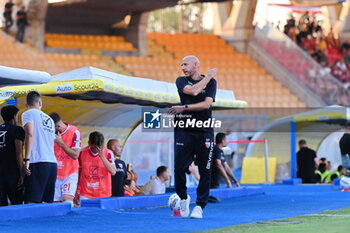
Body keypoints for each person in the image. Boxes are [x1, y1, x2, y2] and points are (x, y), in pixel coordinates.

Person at [169, 55, 217, 219]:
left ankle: (200, 206)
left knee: (206, 171)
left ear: (196, 65)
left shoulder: (211, 82)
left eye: (186, 64)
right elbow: (193, 91)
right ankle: (184, 198)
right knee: (179, 168)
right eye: (181, 64)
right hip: (184, 130)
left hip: (204, 131)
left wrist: (185, 107)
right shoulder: (180, 80)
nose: (182, 67)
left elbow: (206, 104)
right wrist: (209, 75)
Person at [22, 91, 57, 203]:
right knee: (47, 203)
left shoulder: (28, 113)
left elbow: (30, 134)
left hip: (37, 162)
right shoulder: (50, 119)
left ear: (26, 105)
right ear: (40, 103)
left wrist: (27, 160)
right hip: (52, 164)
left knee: (31, 202)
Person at [49, 112, 81, 205]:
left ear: (57, 126)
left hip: (69, 172)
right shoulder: (49, 133)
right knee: (54, 202)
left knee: (67, 202)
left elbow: (75, 155)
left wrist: (61, 143)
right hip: (54, 173)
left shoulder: (75, 132)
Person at [76, 131, 116, 205]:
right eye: (95, 147)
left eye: (100, 147)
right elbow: (78, 173)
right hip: (85, 193)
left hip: (103, 193)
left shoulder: (108, 153)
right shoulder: (82, 153)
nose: (97, 149)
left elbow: (113, 172)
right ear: (89, 143)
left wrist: (102, 157)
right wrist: (76, 192)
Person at [0, 105, 24, 206]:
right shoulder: (17, 130)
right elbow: (18, 153)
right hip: (12, 173)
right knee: (17, 205)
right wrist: (22, 174)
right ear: (14, 116)